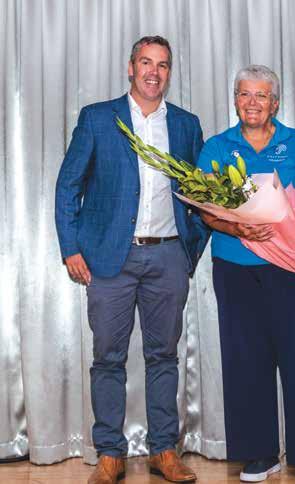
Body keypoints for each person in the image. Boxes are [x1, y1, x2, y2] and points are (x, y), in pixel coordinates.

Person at [55, 35, 209, 484]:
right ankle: (110, 454)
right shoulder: (98, 119)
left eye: (162, 65)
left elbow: (201, 195)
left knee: (164, 357)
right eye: (145, 62)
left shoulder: (185, 125)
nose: (153, 72)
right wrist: (70, 248)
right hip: (109, 261)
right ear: (130, 67)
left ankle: (164, 450)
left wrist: (189, 251)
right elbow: (68, 185)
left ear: (169, 72)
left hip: (168, 257)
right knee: (108, 358)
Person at [196, 64, 295, 483]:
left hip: (294, 267)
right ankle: (259, 454)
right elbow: (206, 211)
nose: (252, 103)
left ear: (275, 103)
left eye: (261, 95)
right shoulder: (216, 147)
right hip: (235, 267)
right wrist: (237, 228)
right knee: (246, 361)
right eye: (244, 94)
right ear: (235, 100)